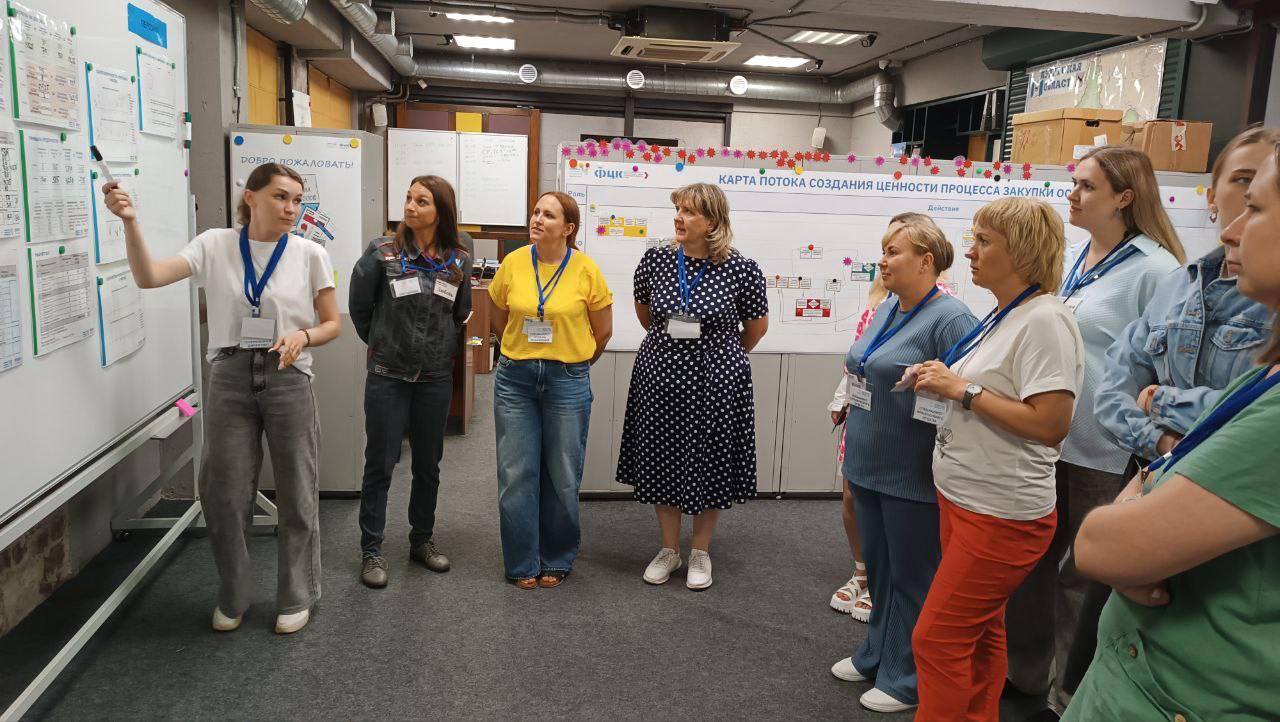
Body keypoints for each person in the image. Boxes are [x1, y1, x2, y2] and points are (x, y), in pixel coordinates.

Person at [1063, 140, 1280, 722]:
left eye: (1257, 205)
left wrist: (1163, 402)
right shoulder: (1180, 282)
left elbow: (1104, 545)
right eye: (1239, 190)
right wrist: (1162, 445)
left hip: (1187, 686)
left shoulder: (1153, 267)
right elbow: (1117, 386)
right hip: (1145, 667)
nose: (1232, 229)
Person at [102, 163, 340, 634]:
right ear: (250, 197)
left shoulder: (310, 253)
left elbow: (332, 323)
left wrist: (304, 336)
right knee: (224, 493)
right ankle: (235, 593)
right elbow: (149, 277)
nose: (291, 208)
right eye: (280, 196)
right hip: (230, 375)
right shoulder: (215, 244)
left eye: (296, 200)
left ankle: (297, 593)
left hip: (288, 374)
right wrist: (130, 222)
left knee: (297, 490)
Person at [1004, 145, 1184, 710]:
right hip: (1050, 439)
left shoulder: (1157, 270)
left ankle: (1068, 694)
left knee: (1081, 576)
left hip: (1105, 450)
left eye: (1087, 186)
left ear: (1125, 197)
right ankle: (1025, 676)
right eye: (1074, 182)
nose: (1073, 194)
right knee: (1032, 565)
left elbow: (1166, 368)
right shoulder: (1080, 256)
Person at [909, 197, 1084, 721]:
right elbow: (992, 387)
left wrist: (962, 390)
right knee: (979, 632)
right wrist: (942, 378)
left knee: (937, 638)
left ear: (1022, 252)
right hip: (966, 496)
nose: (970, 251)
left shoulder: (1045, 320)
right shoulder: (1008, 313)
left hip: (1000, 511)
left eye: (984, 242)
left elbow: (1051, 424)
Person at [826, 215, 978, 714]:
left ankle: (906, 676)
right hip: (867, 459)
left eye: (893, 252)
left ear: (926, 261)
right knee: (881, 571)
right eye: (883, 251)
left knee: (913, 577)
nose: (883, 261)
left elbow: (965, 393)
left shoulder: (951, 318)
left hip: (911, 470)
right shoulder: (891, 305)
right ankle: (876, 654)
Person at [616, 183, 768, 591]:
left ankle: (700, 550)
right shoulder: (656, 260)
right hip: (660, 377)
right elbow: (646, 315)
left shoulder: (742, 269)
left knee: (710, 461)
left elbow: (755, 329)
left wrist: (720, 359)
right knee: (662, 459)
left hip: (716, 384)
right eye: (678, 210)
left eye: (689, 212)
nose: (678, 218)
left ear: (713, 221)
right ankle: (669, 549)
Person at [349, 176, 472, 588]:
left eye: (421, 201)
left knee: (428, 465)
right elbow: (360, 308)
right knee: (380, 464)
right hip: (388, 374)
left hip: (435, 375)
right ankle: (371, 549)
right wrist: (384, 343)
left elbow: (460, 313)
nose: (410, 206)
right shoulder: (382, 252)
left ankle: (422, 540)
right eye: (408, 198)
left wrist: (436, 346)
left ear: (441, 211)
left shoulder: (458, 258)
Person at [488, 192, 613, 589]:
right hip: (516, 379)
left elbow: (603, 331)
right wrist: (522, 351)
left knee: (562, 474)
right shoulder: (512, 263)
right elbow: (498, 318)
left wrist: (574, 363)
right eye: (536, 212)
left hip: (566, 379)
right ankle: (522, 560)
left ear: (568, 228)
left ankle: (557, 556)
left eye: (549, 215)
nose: (538, 219)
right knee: (516, 472)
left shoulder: (586, 270)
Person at [826, 275, 887, 620]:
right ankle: (861, 571)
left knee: (886, 505)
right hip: (861, 413)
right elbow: (855, 362)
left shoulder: (941, 308)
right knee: (851, 498)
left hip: (897, 422)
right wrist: (842, 397)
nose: (884, 262)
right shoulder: (876, 307)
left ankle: (883, 581)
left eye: (894, 252)